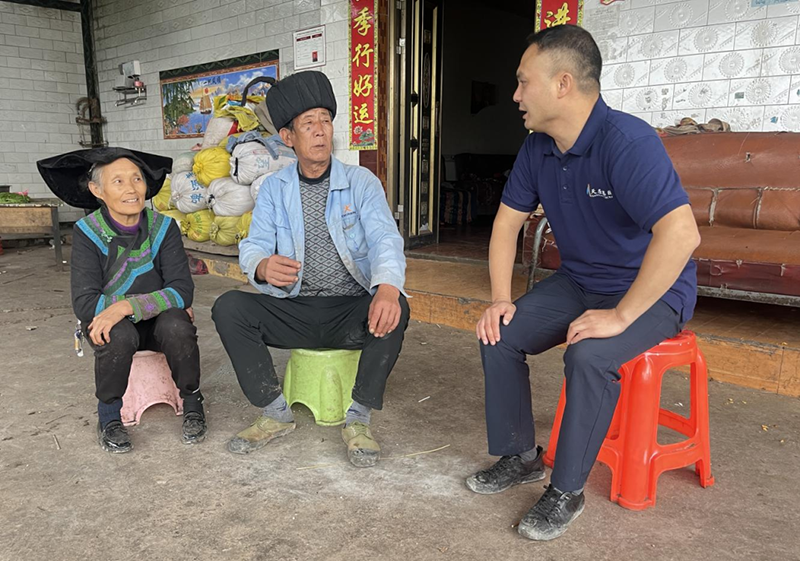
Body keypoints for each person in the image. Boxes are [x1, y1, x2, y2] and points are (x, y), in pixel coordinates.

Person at [466, 25, 700, 541]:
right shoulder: (537, 148)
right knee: (499, 334)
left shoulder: (627, 142)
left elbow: (682, 234)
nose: (516, 95)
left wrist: (621, 315)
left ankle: (566, 491)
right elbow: (506, 225)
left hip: (653, 291)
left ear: (563, 84)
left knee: (590, 355)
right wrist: (500, 299)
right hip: (579, 282)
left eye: (523, 81)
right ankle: (521, 456)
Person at [212, 71, 409, 467]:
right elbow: (253, 244)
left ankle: (358, 419)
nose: (320, 130)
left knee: (396, 304)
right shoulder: (274, 188)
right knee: (229, 307)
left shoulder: (361, 182)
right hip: (295, 309)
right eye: (308, 123)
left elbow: (385, 239)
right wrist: (262, 266)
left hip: (350, 311)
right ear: (288, 137)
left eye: (325, 120)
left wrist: (388, 287)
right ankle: (275, 412)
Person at [37, 148, 207, 453]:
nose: (131, 189)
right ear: (97, 190)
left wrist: (125, 306)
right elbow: (85, 303)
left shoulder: (163, 227)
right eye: (118, 181)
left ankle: (193, 403)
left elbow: (182, 291)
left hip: (158, 324)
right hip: (114, 326)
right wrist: (149, 303)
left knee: (177, 325)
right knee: (117, 334)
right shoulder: (87, 233)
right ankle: (109, 416)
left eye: (137, 179)